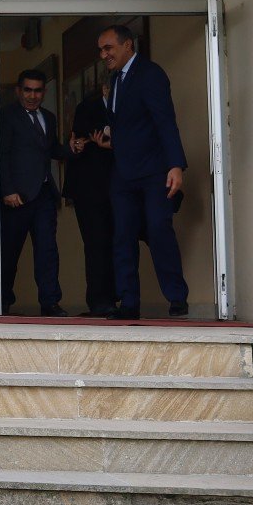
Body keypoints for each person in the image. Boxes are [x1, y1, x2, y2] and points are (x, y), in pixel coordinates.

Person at [96, 23, 190, 319]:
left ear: (128, 45)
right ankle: (129, 303)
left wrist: (175, 165)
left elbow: (165, 121)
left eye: (108, 48)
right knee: (123, 236)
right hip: (123, 172)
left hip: (154, 171)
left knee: (158, 229)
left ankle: (177, 297)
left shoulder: (150, 74)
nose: (104, 55)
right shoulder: (115, 79)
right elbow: (127, 124)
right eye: (101, 50)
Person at [0, 68, 72, 316]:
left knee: (47, 250)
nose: (32, 96)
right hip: (16, 197)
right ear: (18, 91)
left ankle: (50, 302)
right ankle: (2, 301)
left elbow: (51, 150)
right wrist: (7, 190)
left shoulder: (48, 118)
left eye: (37, 91)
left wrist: (71, 149)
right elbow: (1, 155)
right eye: (28, 90)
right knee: (9, 252)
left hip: (43, 194)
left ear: (44, 92)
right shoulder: (7, 116)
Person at [65, 81, 119, 316]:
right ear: (106, 89)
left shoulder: (127, 107)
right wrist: (109, 135)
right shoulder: (87, 107)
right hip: (88, 189)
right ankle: (99, 301)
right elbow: (89, 132)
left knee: (119, 242)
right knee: (97, 244)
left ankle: (119, 297)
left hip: (118, 187)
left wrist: (110, 138)